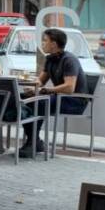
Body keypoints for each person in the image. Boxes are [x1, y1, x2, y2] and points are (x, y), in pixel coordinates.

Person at [19, 28, 88, 158]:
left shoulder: (69, 60)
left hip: (75, 101)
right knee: (23, 100)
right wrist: (33, 90)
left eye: (45, 40)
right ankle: (34, 141)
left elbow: (69, 88)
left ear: (54, 44)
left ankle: (33, 142)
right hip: (60, 98)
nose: (42, 43)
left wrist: (46, 91)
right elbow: (41, 81)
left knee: (37, 104)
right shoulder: (50, 59)